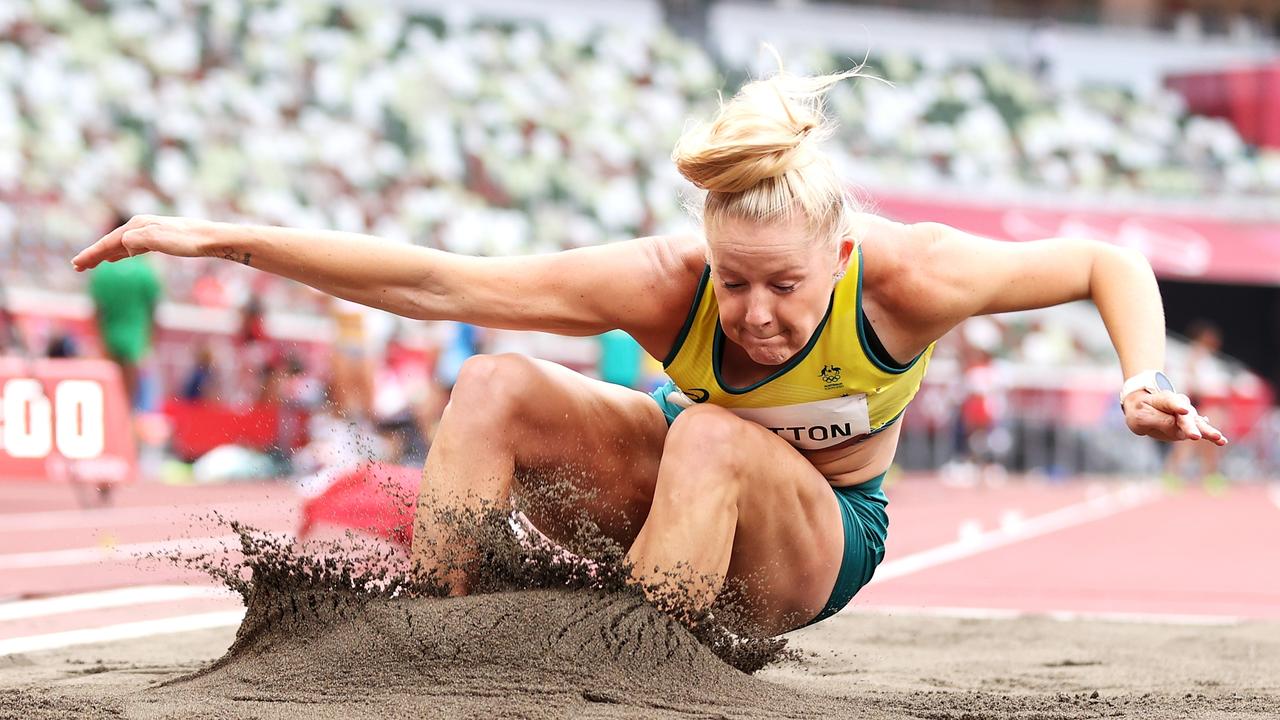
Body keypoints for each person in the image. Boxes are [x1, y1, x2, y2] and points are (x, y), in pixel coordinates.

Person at [71, 65, 1226, 636]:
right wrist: (228, 238)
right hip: (674, 477)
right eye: (735, 282)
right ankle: (425, 638)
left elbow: (1099, 264)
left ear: (837, 254)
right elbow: (435, 281)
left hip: (813, 544)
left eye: (785, 286)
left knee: (717, 438)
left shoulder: (911, 272)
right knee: (493, 386)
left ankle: (636, 670)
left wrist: (1144, 374)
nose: (757, 313)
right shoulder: (664, 284)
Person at [86, 220, 162, 410]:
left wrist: (99, 339)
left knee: (108, 393)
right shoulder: (145, 271)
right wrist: (150, 340)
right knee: (131, 397)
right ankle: (127, 426)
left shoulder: (103, 270)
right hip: (136, 337)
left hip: (109, 336)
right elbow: (154, 308)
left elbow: (96, 309)